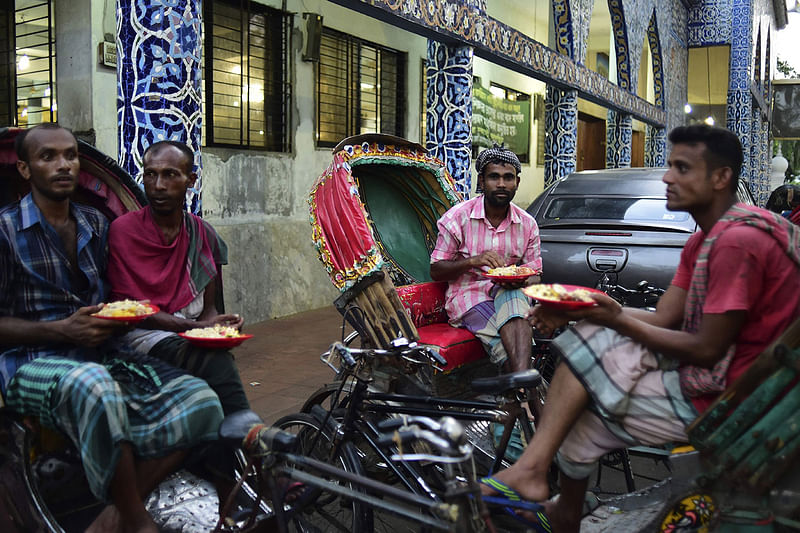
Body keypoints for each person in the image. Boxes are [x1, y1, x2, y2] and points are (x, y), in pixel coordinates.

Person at [479, 124, 800, 532]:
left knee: (585, 391)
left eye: (682, 168)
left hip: (738, 400)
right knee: (593, 342)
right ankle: (546, 487)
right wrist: (596, 310)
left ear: (721, 178)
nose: (668, 177)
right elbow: (663, 318)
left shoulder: (736, 242)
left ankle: (540, 481)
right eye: (670, 166)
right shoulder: (702, 241)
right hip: (725, 377)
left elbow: (704, 349)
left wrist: (607, 318)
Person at [0, 123, 224, 533]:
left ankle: (112, 515)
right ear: (25, 169)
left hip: (100, 353)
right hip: (31, 361)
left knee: (202, 401)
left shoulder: (95, 225)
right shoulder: (5, 231)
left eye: (70, 155)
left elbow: (124, 294)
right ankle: (137, 520)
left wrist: (184, 320)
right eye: (48, 156)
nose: (63, 164)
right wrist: (62, 331)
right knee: (93, 385)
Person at [106, 140, 250, 416]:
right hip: (140, 336)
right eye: (150, 174)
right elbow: (132, 311)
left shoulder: (203, 234)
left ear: (190, 180)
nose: (158, 185)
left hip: (188, 334)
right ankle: (252, 435)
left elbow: (209, 307)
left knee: (216, 365)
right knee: (214, 363)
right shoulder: (123, 231)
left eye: (170, 174)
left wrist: (219, 326)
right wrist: (191, 328)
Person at [430, 145, 542, 373]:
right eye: (494, 177)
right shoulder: (457, 218)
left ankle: (520, 392)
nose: (501, 184)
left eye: (508, 178)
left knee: (514, 298)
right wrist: (472, 261)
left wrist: (521, 280)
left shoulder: (527, 224)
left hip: (510, 295)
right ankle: (527, 397)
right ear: (481, 181)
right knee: (511, 347)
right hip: (468, 297)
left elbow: (535, 276)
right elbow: (436, 270)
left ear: (517, 183)